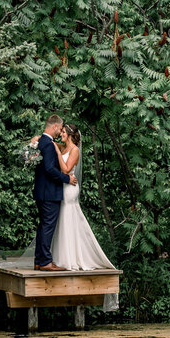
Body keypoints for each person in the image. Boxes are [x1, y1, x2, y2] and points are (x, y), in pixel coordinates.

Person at [48, 123, 114, 270]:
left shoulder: (75, 150)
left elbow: (66, 170)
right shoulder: (64, 147)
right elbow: (52, 143)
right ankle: (62, 256)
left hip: (69, 189)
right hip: (63, 187)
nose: (61, 134)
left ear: (70, 135)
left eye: (64, 132)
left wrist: (58, 154)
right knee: (64, 220)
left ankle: (73, 258)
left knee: (68, 217)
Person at [32, 114, 76, 271]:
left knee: (43, 226)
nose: (60, 132)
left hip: (40, 191)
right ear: (55, 127)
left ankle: (39, 260)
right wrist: (66, 178)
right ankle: (45, 262)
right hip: (49, 193)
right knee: (48, 227)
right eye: (60, 128)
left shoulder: (39, 142)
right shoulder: (49, 145)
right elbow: (50, 169)